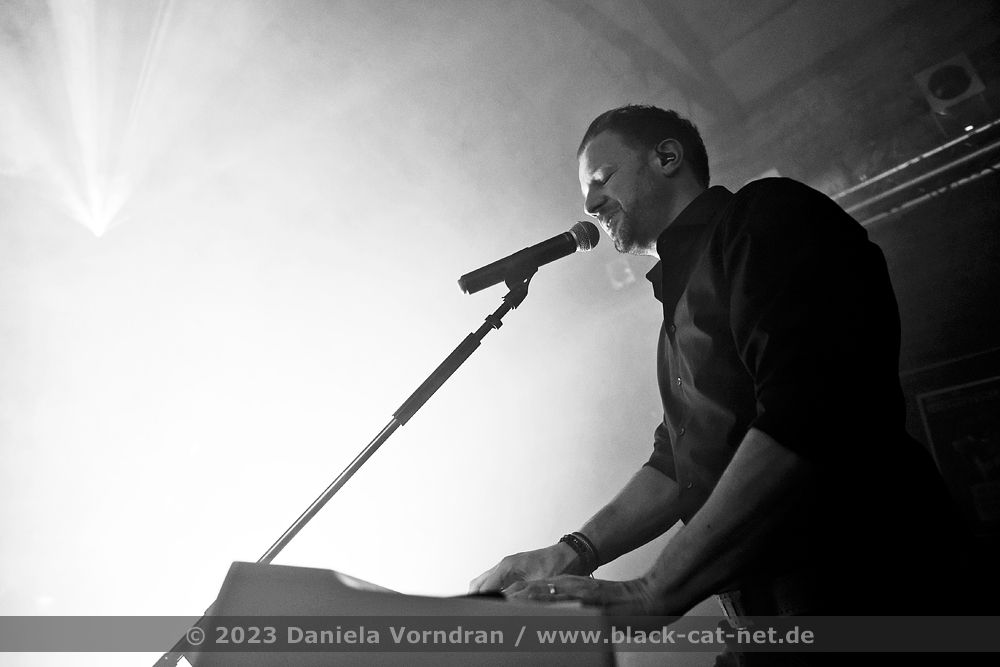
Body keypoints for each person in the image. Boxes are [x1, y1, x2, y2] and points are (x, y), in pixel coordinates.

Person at [469, 105, 982, 625]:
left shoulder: (766, 215)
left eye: (602, 178)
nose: (590, 203)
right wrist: (573, 551)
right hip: (770, 617)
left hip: (876, 589)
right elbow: (677, 465)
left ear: (667, 157)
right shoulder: (678, 308)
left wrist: (654, 590)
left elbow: (809, 410)